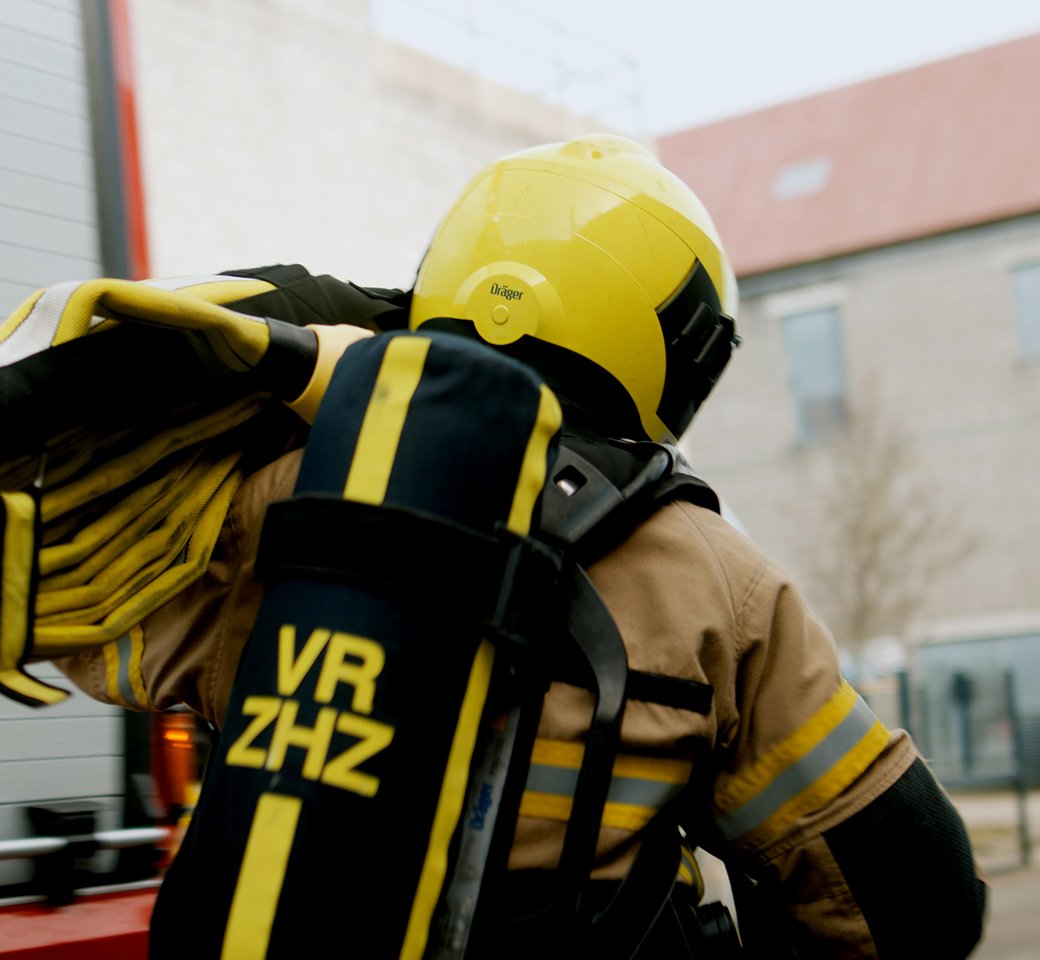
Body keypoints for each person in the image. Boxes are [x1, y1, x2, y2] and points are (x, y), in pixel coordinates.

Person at [55, 134, 986, 958]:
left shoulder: (272, 505)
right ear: (675, 340)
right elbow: (911, 895)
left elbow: (73, 621)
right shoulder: (717, 581)